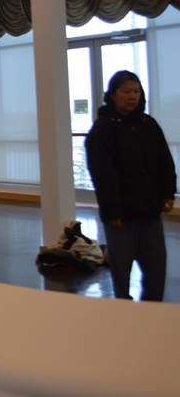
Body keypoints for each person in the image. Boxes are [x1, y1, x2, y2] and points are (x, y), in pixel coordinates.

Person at [86, 70, 176, 301]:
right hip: (121, 215)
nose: (132, 96)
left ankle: (152, 309)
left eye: (136, 91)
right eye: (126, 91)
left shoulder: (148, 124)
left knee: (156, 266)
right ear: (113, 95)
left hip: (149, 211)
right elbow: (102, 174)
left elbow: (165, 161)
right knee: (121, 269)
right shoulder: (103, 129)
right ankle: (123, 310)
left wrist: (168, 193)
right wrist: (112, 210)